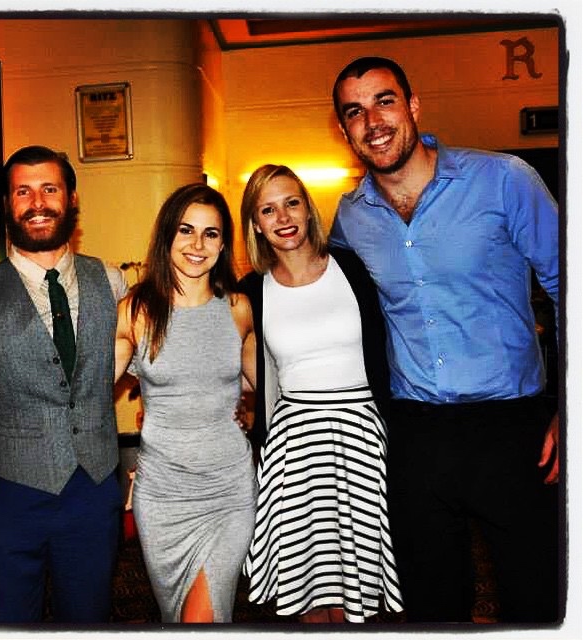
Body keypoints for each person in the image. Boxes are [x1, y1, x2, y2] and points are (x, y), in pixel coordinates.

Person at [329, 56, 560, 623]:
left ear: (413, 106)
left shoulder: (504, 179)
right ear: (343, 130)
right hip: (416, 436)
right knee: (433, 609)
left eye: (385, 101)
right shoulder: (350, 216)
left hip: (514, 428)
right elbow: (326, 297)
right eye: (354, 112)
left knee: (535, 600)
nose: (373, 121)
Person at [0, 145, 126, 623]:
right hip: (10, 496)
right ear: (8, 204)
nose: (37, 202)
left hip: (94, 492)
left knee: (89, 622)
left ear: (72, 199)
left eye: (49, 189)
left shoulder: (112, 282)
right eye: (23, 191)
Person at [238, 164, 404, 623]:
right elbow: (231, 363)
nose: (283, 217)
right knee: (309, 585)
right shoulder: (250, 291)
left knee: (360, 583)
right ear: (255, 222)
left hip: (363, 437)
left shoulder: (352, 267)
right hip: (295, 444)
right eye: (267, 209)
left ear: (307, 208)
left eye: (291, 202)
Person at [114, 183, 257, 623]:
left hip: (228, 490)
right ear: (167, 237)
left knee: (202, 618)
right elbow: (88, 392)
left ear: (223, 243)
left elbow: (268, 385)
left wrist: (250, 411)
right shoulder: (136, 311)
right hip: (163, 496)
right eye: (185, 231)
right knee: (178, 618)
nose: (197, 245)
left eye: (211, 234)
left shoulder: (238, 307)